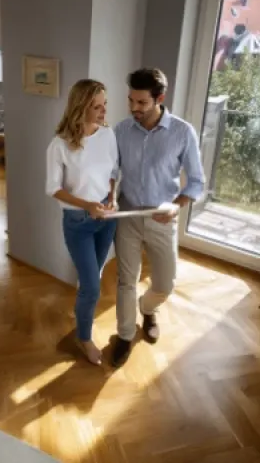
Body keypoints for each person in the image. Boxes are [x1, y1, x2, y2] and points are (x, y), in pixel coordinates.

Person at [109, 68, 204, 368]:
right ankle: (124, 335)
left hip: (162, 217)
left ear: (159, 99)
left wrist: (177, 205)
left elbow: (197, 182)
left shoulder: (182, 132)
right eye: (130, 101)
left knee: (165, 283)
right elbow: (114, 171)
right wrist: (111, 197)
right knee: (126, 280)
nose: (134, 109)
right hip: (127, 214)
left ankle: (148, 309)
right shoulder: (122, 130)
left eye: (142, 103)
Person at [46, 79, 118, 366]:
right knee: (92, 286)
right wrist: (87, 205)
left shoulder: (108, 135)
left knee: (93, 279)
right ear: (80, 107)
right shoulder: (59, 145)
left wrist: (111, 196)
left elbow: (113, 170)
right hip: (78, 223)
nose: (103, 112)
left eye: (104, 105)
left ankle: (82, 318)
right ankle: (84, 337)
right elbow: (53, 188)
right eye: (96, 106)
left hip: (106, 219)